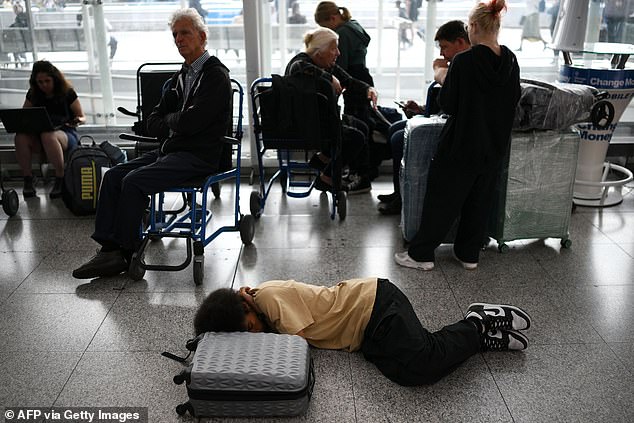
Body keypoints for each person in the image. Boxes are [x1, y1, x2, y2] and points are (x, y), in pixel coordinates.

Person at [72, 8, 232, 279]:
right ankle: (109, 248)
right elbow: (153, 120)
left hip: (200, 156)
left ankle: (126, 251)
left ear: (202, 37)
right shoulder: (180, 78)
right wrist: (173, 121)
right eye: (175, 35)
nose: (179, 39)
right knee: (113, 176)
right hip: (173, 151)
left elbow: (192, 123)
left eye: (185, 33)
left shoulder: (215, 76)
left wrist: (171, 121)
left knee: (134, 181)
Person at [194, 278, 531, 386]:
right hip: (366, 333)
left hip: (374, 305)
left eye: (250, 329)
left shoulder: (266, 297)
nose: (254, 336)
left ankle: (477, 322)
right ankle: (481, 340)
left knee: (423, 364)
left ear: (247, 307)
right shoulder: (257, 308)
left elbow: (293, 348)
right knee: (402, 372)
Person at [395, 0, 520, 271]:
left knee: (443, 200)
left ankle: (421, 255)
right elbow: (512, 101)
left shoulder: (465, 61)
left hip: (462, 144)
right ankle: (468, 254)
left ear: (473, 27)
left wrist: (441, 74)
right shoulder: (510, 59)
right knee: (479, 201)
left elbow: (449, 103)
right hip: (494, 145)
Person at [378, 20, 470, 216]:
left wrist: (439, 70)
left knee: (397, 139)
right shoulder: (456, 62)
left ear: (461, 43)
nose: (442, 53)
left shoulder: (464, 64)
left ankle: (403, 198)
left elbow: (450, 97)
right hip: (441, 117)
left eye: (445, 47)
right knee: (395, 128)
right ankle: (399, 192)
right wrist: (421, 109)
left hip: (453, 126)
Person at [285, 27, 378, 194]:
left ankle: (322, 160)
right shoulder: (301, 61)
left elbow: (349, 81)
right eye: (333, 48)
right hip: (306, 124)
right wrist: (329, 78)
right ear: (319, 52)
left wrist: (368, 89)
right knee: (356, 137)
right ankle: (327, 177)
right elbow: (297, 67)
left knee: (362, 126)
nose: (338, 53)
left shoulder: (327, 65)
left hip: (323, 121)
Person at [15, 60, 86, 199]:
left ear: (55, 79)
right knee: (20, 137)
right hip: (40, 134)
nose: (44, 85)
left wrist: (78, 120)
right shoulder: (34, 94)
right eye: (40, 82)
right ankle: (28, 178)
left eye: (47, 81)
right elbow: (24, 115)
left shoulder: (67, 93)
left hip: (65, 133)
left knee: (48, 135)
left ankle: (60, 178)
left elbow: (82, 117)